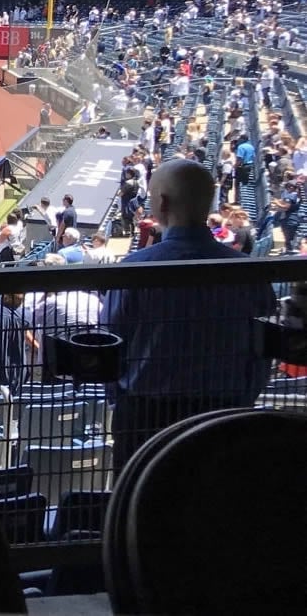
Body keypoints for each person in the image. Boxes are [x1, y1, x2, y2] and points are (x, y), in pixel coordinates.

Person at [104, 158, 275, 467]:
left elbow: (113, 346)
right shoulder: (250, 272)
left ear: (162, 202)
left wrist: (122, 403)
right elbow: (262, 352)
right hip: (224, 415)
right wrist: (241, 402)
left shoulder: (133, 269)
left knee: (140, 508)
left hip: (146, 418)